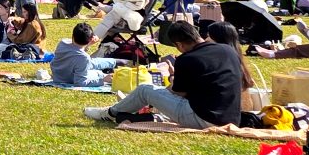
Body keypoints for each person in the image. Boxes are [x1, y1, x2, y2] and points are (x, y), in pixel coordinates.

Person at [85, 20, 241, 128]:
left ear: (179, 45)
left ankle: (110, 113)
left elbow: (178, 93)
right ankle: (121, 110)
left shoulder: (187, 59)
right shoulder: (227, 50)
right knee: (154, 94)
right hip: (232, 118)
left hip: (203, 118)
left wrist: (172, 78)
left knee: (145, 90)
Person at [51, 22, 120, 86]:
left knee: (95, 66)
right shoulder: (84, 58)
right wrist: (103, 80)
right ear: (90, 39)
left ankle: (115, 62)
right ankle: (116, 64)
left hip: (57, 76)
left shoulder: (62, 43)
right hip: (69, 79)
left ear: (73, 35)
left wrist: (89, 44)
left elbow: (75, 49)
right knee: (97, 73)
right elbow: (80, 82)